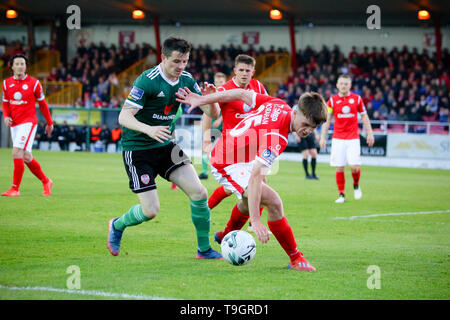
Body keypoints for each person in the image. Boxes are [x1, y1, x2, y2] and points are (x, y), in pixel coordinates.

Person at [176, 87, 328, 271]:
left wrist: (202, 100)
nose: (307, 131)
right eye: (305, 124)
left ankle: (226, 234)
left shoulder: (278, 104)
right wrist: (255, 221)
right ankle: (296, 258)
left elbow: (241, 94)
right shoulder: (277, 136)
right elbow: (256, 177)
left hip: (241, 156)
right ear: (296, 112)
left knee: (252, 200)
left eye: (313, 127)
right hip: (226, 162)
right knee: (273, 201)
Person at [107, 36, 222, 260]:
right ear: (163, 58)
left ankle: (204, 249)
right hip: (138, 149)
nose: (181, 67)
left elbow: (214, 114)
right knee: (151, 211)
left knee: (199, 193)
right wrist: (149, 129)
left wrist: (210, 99)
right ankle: (117, 225)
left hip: (166, 146)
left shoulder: (187, 80)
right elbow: (123, 116)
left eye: (185, 62)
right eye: (176, 61)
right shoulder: (147, 80)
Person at [204, 55, 268, 216]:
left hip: (253, 147)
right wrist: (206, 138)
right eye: (241, 70)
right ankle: (253, 223)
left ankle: (205, 209)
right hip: (232, 150)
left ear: (253, 72)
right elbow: (209, 115)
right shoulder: (225, 90)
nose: (244, 73)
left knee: (254, 185)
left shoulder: (258, 87)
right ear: (235, 71)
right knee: (253, 189)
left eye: (248, 70)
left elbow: (267, 107)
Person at [1, 54, 54, 197]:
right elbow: (5, 103)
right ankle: (46, 181)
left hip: (28, 122)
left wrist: (49, 123)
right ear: (11, 66)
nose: (19, 66)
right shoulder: (6, 83)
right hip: (15, 124)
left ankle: (15, 189)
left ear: (26, 66)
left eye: (22, 64)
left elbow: (42, 104)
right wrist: (6, 116)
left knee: (16, 152)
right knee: (26, 157)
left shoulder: (34, 83)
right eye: (17, 64)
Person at [319, 74, 374, 204]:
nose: (343, 86)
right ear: (337, 85)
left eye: (346, 84)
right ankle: (341, 194)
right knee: (340, 167)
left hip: (353, 138)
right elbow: (327, 119)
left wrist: (370, 133)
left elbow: (364, 117)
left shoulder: (357, 99)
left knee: (354, 167)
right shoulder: (332, 101)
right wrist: (322, 137)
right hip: (338, 138)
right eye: (341, 83)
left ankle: (356, 185)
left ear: (350, 85)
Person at [198, 72, 227, 180]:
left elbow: (229, 109)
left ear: (225, 82)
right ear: (214, 82)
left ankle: (225, 170)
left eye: (221, 81)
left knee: (225, 149)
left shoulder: (226, 94)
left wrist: (220, 119)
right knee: (205, 148)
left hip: (225, 126)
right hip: (213, 126)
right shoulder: (211, 94)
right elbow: (206, 110)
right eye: (217, 81)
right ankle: (205, 172)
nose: (219, 83)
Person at [292, 104, 319, 180]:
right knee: (306, 154)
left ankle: (313, 174)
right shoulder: (295, 108)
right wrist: (295, 135)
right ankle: (307, 174)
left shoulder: (309, 110)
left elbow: (312, 123)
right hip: (300, 134)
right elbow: (293, 122)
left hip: (309, 134)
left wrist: (316, 134)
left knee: (314, 153)